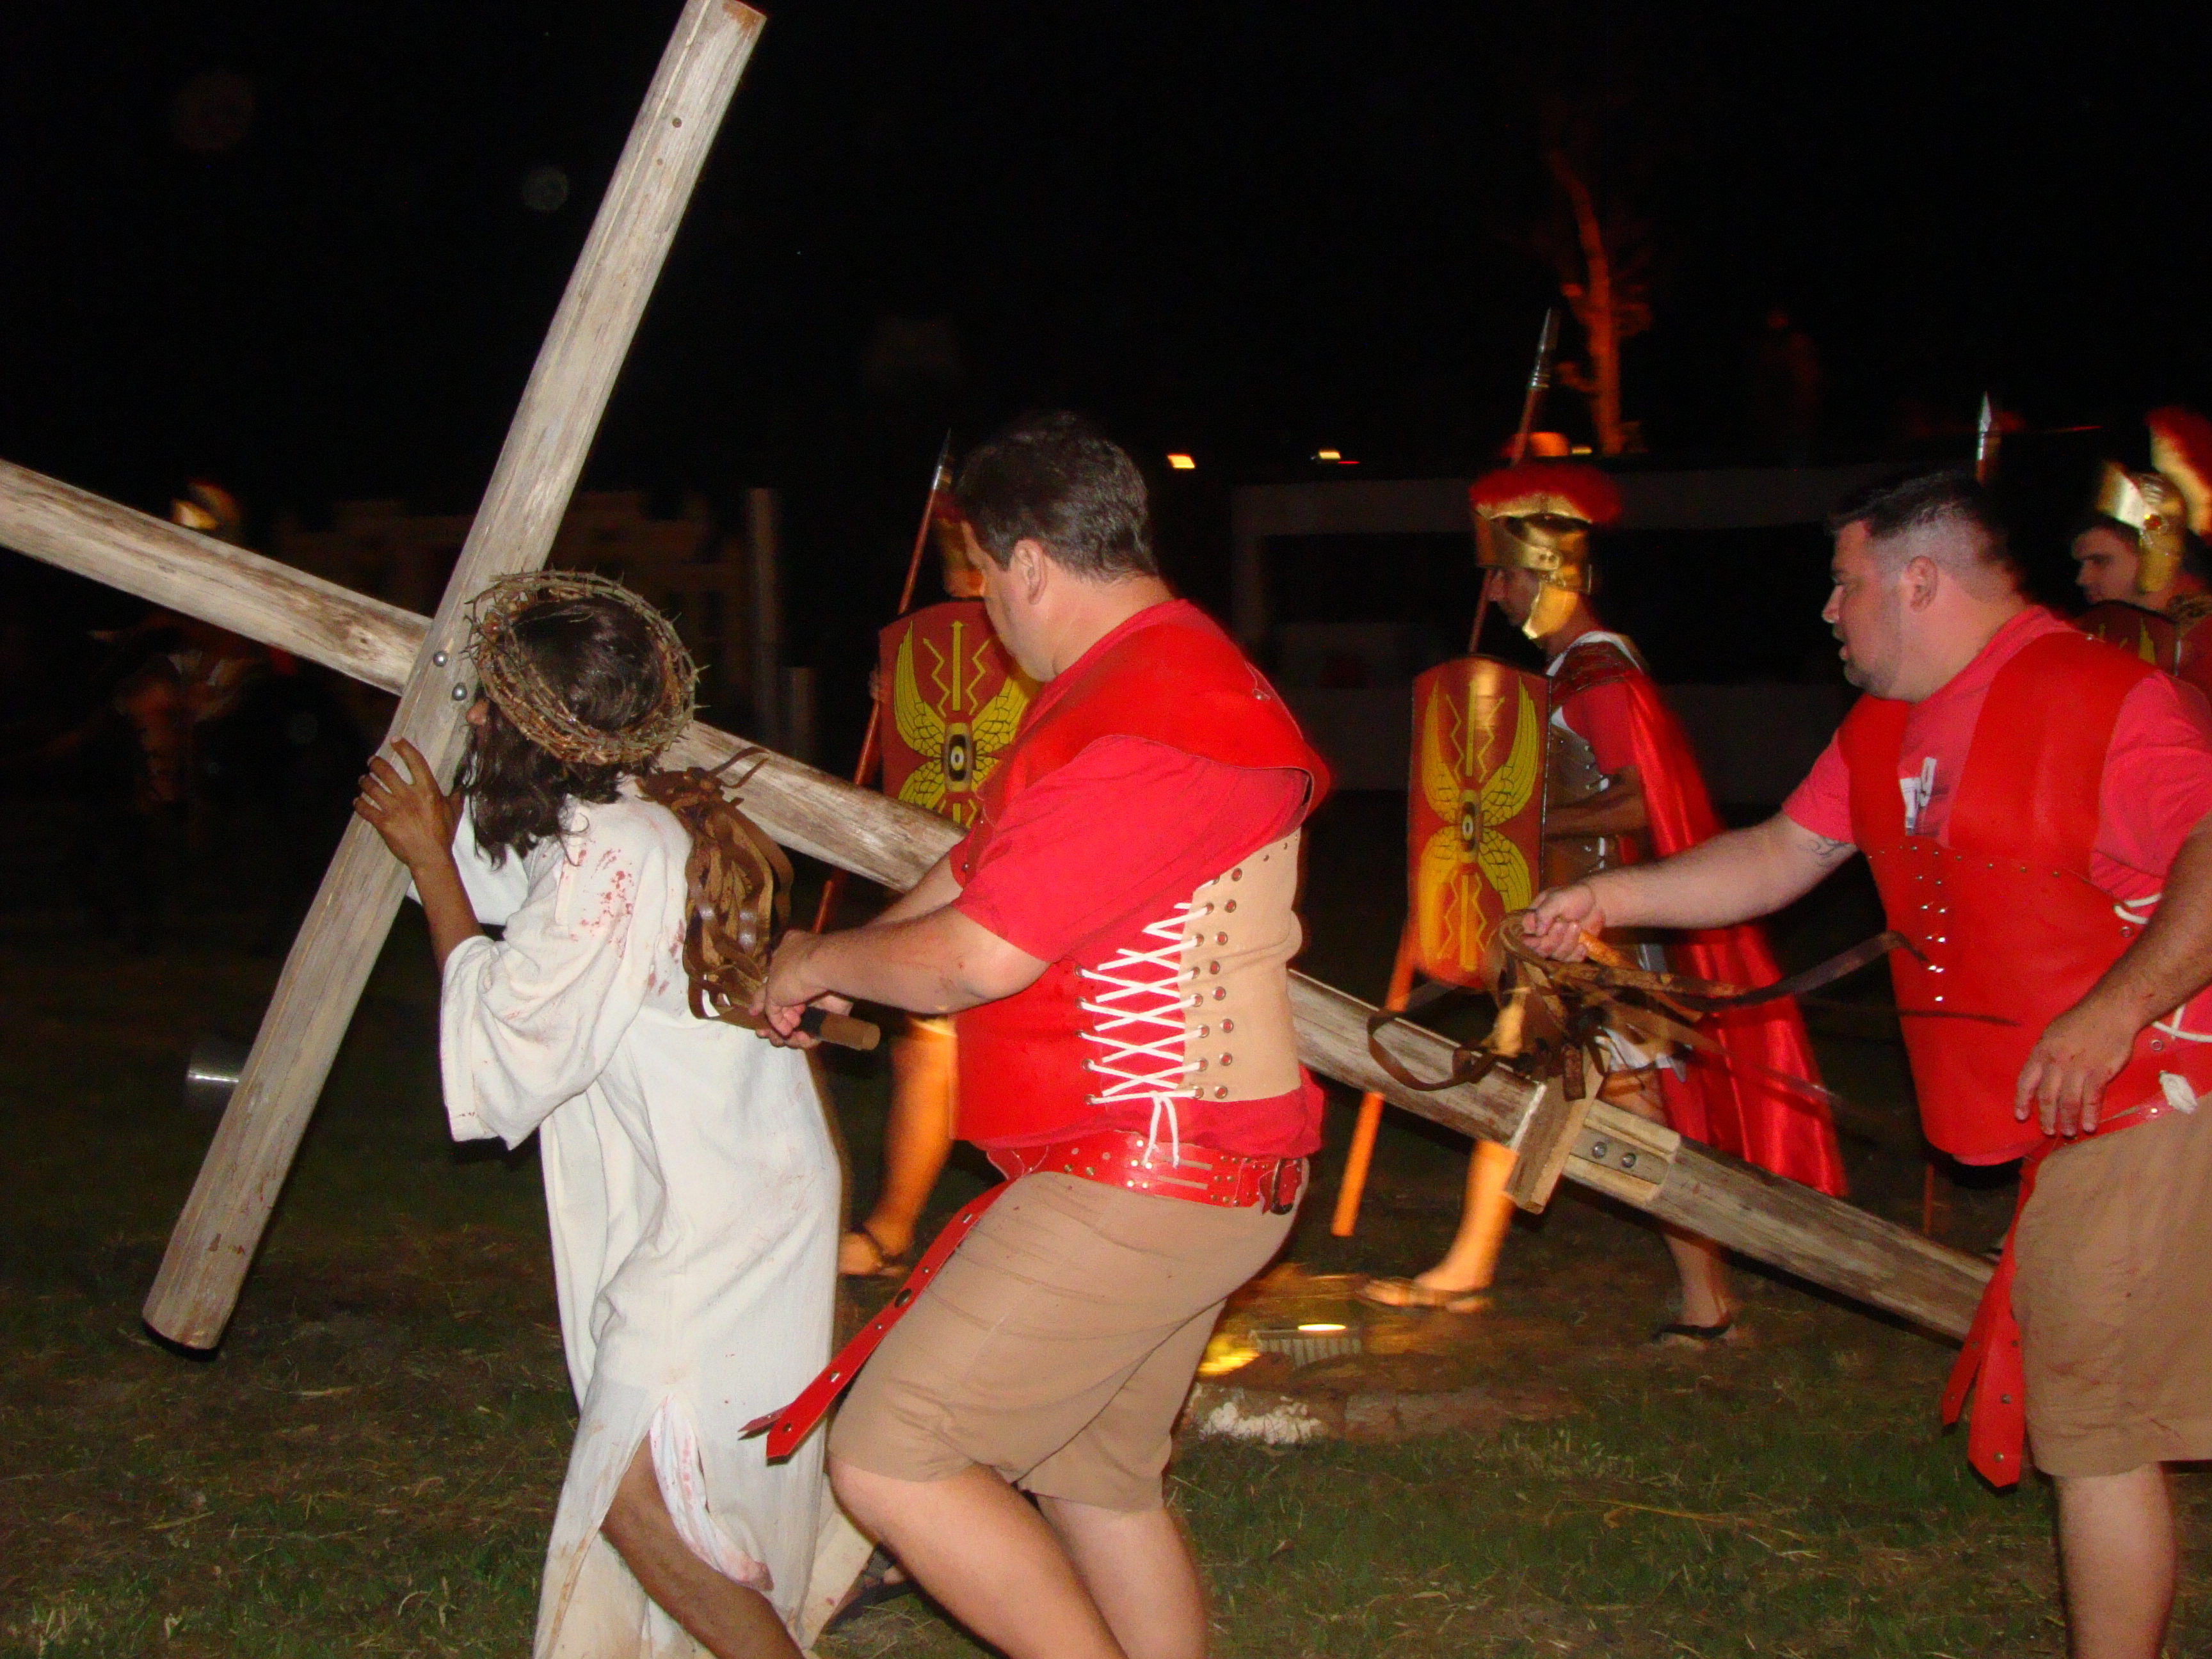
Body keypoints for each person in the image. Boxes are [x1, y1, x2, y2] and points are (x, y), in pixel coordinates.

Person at [1519, 470, 2212, 1659]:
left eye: (1845, 586)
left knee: (2093, 1429)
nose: (1831, 613)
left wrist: (2113, 1012)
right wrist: (1603, 894)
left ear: (1920, 578)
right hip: (2072, 1121)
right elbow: (1782, 854)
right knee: (2098, 1414)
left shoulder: (2111, 698)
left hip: (2156, 1095)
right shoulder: (1886, 724)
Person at [758, 411, 1327, 1659]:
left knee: (896, 1455)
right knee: (1095, 1479)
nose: (984, 617)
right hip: (1187, 1163)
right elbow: (983, 872)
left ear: (1027, 564)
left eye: (980, 580)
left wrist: (824, 955)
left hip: (1153, 1171)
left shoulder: (1157, 719)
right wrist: (844, 969)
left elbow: (975, 959)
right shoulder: (1152, 683)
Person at [355, 573, 837, 1659]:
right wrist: (441, 839)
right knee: (668, 1483)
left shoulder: (615, 849)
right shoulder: (625, 816)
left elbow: (507, 1034)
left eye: (488, 703)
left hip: (721, 1218)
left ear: (534, 726)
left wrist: (429, 859)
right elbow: (520, 891)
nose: (472, 715)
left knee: (639, 1494)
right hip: (737, 1185)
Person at [1360, 461, 1843, 1338]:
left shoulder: (1599, 675)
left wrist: (1519, 823)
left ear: (1547, 575)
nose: (1496, 591)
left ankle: (1703, 1296)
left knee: (1628, 1115)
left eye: (1505, 574)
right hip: (1561, 937)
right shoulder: (1565, 675)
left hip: (1600, 944)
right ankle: (1475, 1269)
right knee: (1529, 1089)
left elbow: (1639, 801)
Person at [840, 500, 1032, 1278]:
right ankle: (892, 1228)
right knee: (926, 1050)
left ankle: (1043, 1234)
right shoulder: (930, 633)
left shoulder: (1041, 616)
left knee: (1030, 1056)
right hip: (944, 861)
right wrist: (900, 700)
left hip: (1029, 871)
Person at [2072, 406, 2212, 702]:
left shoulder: (2203, 645)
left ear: (2155, 555)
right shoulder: (2118, 635)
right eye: (2082, 564)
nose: (2082, 578)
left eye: (2100, 561)